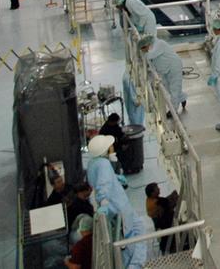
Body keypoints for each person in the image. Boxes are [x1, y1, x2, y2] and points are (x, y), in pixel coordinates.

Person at [86, 134, 148, 269]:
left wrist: (116, 177)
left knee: (139, 229)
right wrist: (104, 202)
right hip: (119, 208)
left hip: (120, 206)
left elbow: (100, 179)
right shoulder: (103, 164)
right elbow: (103, 184)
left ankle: (136, 263)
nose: (112, 147)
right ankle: (133, 265)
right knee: (129, 238)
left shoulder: (93, 163)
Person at [113, 0, 156, 124]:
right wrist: (135, 28)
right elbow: (134, 17)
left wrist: (140, 27)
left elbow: (142, 15)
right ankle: (147, 62)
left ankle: (150, 63)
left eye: (118, 7)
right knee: (145, 45)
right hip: (144, 24)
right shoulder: (128, 5)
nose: (119, 10)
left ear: (120, 4)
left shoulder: (130, 2)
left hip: (148, 23)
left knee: (149, 44)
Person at [140, 35, 186, 112]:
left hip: (174, 67)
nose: (144, 50)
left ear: (147, 44)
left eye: (144, 48)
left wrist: (143, 54)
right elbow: (152, 62)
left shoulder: (159, 44)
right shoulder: (152, 48)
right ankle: (182, 98)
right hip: (165, 69)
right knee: (168, 88)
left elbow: (151, 55)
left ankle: (173, 110)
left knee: (174, 88)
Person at [145, 182, 179, 254]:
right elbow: (166, 204)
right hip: (164, 224)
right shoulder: (157, 203)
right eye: (157, 189)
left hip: (160, 221)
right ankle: (170, 248)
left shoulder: (149, 200)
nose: (159, 189)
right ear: (152, 193)